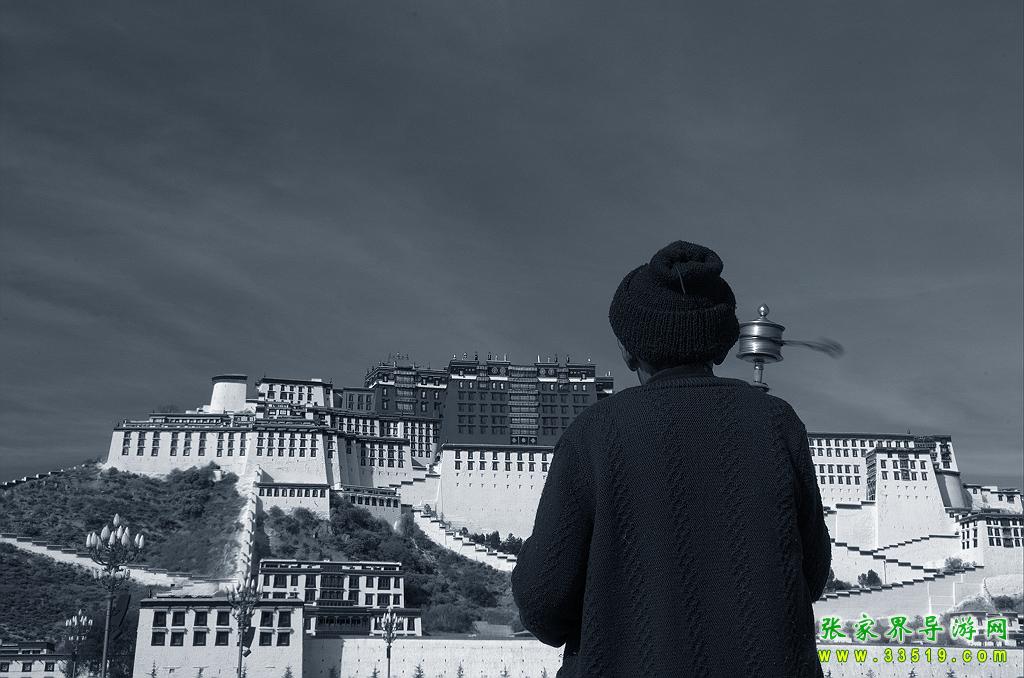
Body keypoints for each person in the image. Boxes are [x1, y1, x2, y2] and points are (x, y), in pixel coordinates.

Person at [511, 240, 831, 677]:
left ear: (628, 349)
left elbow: (543, 602)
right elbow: (811, 575)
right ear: (722, 345)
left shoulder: (594, 434)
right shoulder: (777, 424)